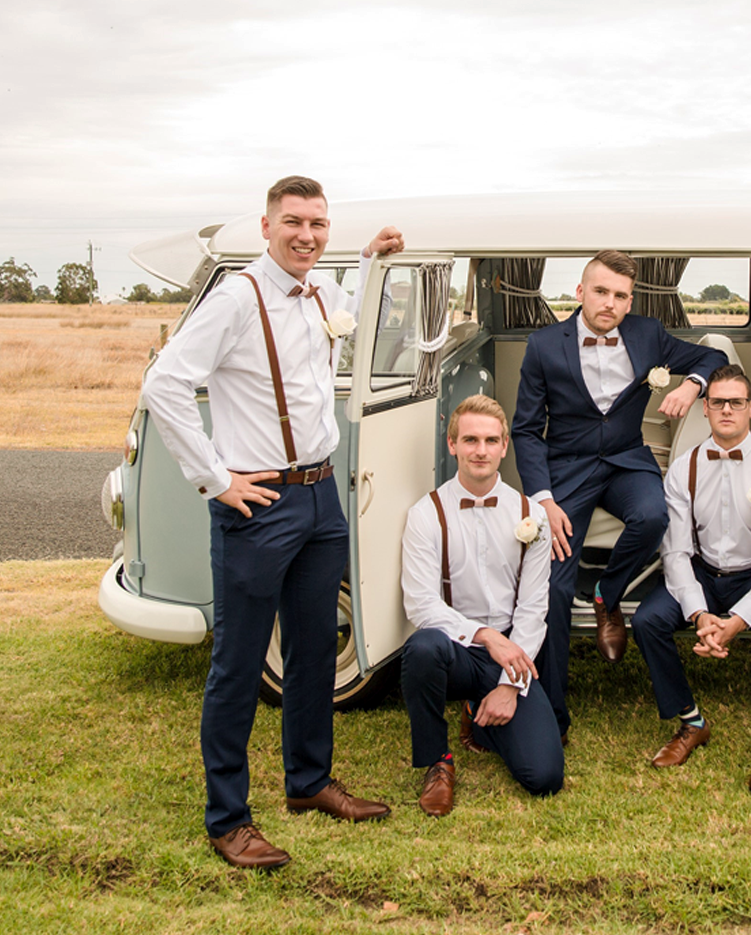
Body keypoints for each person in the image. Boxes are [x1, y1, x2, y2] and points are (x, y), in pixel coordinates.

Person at [141, 176, 404, 869]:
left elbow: (352, 313)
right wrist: (215, 479)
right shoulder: (237, 298)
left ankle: (308, 781)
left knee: (314, 649)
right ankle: (228, 819)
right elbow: (164, 384)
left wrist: (370, 260)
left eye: (318, 224)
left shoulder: (321, 293)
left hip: (321, 497)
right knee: (238, 662)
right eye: (293, 222)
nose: (306, 236)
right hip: (258, 505)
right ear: (266, 227)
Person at [511, 250, 727, 737]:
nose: (610, 303)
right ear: (580, 292)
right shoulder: (543, 345)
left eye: (620, 296)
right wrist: (544, 498)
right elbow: (525, 429)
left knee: (654, 516)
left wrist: (691, 386)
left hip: (628, 460)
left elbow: (712, 358)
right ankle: (551, 714)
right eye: (601, 291)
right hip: (567, 470)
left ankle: (607, 595)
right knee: (554, 588)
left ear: (630, 302)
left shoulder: (648, 334)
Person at [631, 365, 751, 819]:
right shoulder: (683, 469)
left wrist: (737, 621)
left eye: (736, 402)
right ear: (705, 409)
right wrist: (699, 614)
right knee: (647, 620)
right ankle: (691, 721)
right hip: (702, 575)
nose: (726, 410)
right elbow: (675, 553)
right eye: (717, 402)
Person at [399, 395, 563, 815]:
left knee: (544, 777)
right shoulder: (426, 514)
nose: (481, 451)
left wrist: (509, 686)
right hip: (456, 649)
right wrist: (485, 636)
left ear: (505, 446)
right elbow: (420, 603)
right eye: (470, 440)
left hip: (512, 652)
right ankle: (438, 762)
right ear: (452, 444)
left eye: (491, 441)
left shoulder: (530, 514)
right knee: (422, 648)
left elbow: (533, 609)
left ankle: (481, 713)